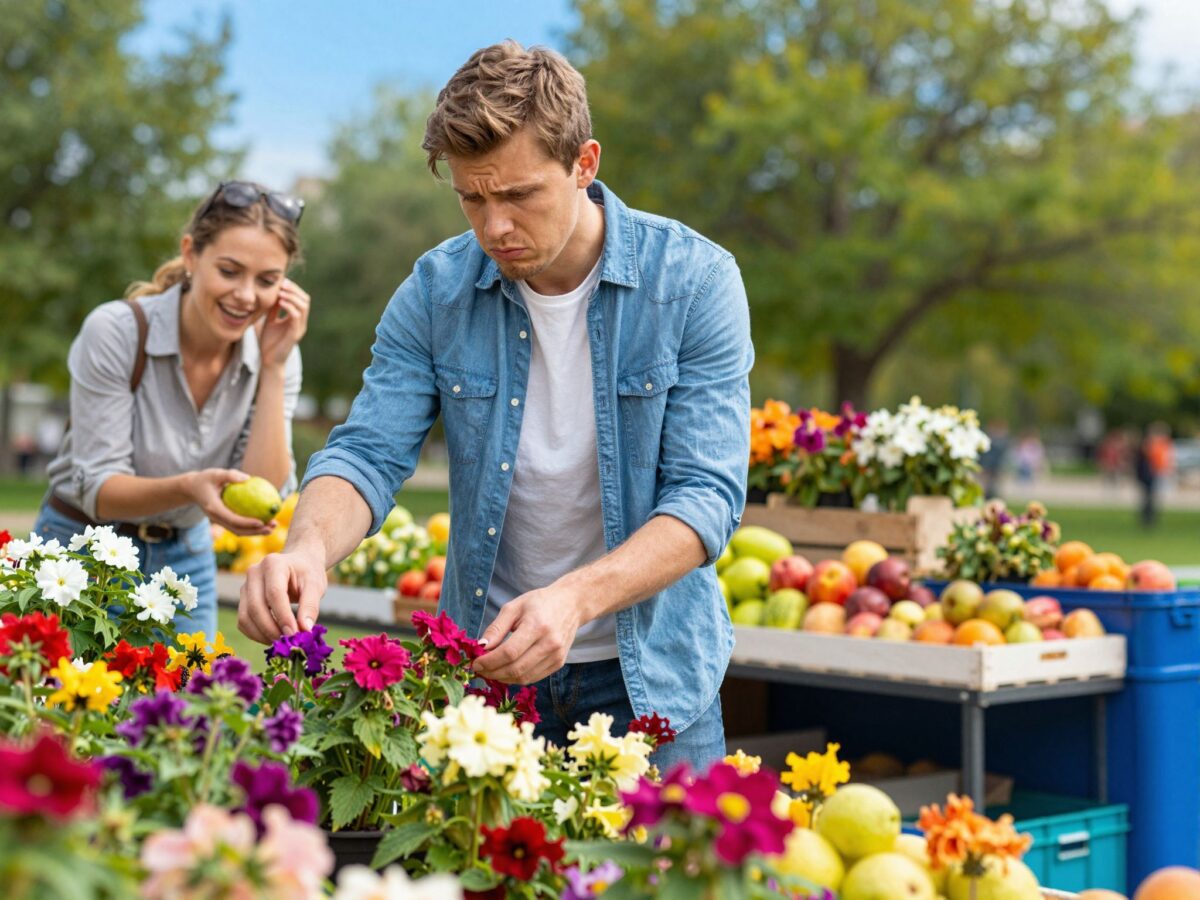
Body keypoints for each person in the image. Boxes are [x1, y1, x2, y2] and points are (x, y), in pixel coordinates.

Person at [238, 41, 752, 771]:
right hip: (488, 679)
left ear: (585, 164)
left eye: (518, 196)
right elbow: (368, 452)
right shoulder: (435, 290)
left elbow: (706, 498)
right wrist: (307, 549)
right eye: (472, 199)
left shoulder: (695, 282)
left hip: (656, 681)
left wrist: (573, 600)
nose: (494, 227)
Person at [34, 181, 310, 638]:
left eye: (266, 280)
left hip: (184, 556)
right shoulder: (117, 331)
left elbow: (265, 493)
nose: (245, 295)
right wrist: (190, 489)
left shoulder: (276, 351)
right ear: (190, 255)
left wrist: (275, 368)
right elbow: (99, 487)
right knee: (63, 703)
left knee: (185, 707)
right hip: (81, 546)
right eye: (229, 271)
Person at [1135, 422, 1174, 528]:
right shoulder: (1151, 445)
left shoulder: (1160, 445)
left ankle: (1150, 517)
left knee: (1152, 497)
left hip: (1154, 474)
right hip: (1149, 475)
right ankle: (1148, 518)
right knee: (1149, 497)